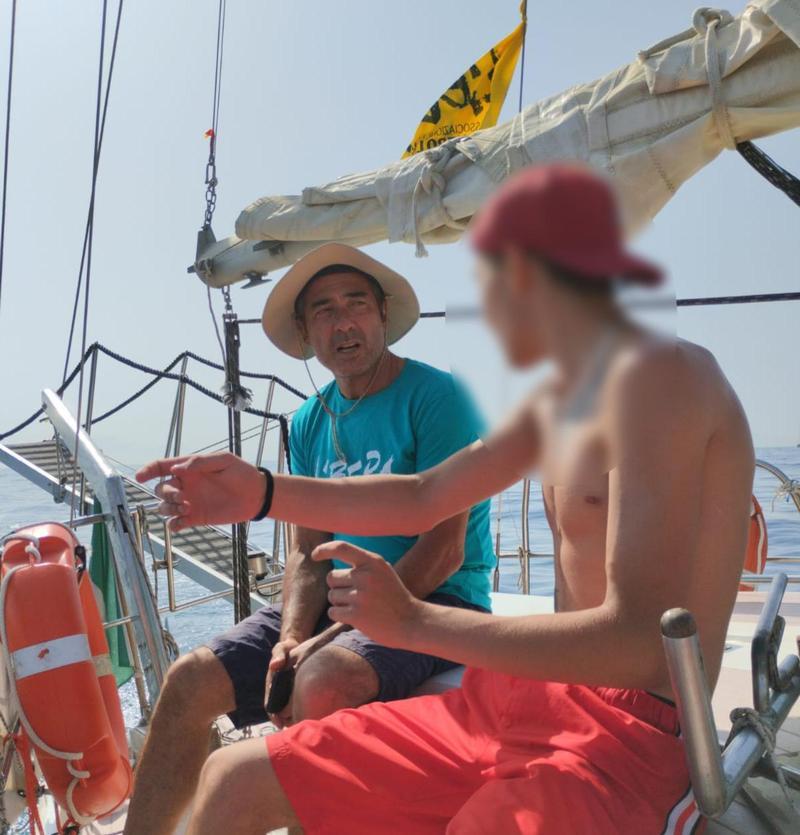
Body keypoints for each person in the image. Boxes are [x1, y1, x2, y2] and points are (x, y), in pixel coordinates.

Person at [139, 163, 755, 835]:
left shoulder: (663, 378)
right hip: (519, 702)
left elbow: (641, 645)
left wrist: (414, 623)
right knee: (233, 778)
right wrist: (260, 492)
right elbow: (424, 495)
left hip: (626, 733)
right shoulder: (560, 401)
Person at [123, 244, 496, 835]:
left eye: (356, 304)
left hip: (437, 599)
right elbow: (305, 550)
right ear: (305, 331)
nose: (343, 322)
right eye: (323, 310)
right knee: (188, 679)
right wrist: (293, 634)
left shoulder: (440, 398)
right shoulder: (307, 421)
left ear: (382, 315)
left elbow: (445, 549)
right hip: (339, 602)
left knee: (322, 678)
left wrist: (327, 639)